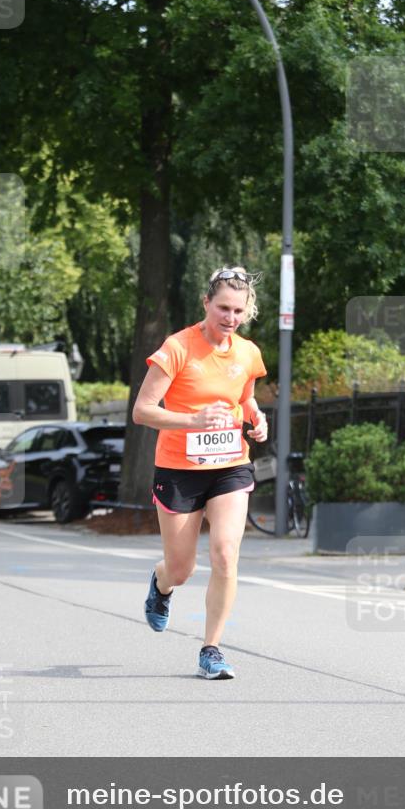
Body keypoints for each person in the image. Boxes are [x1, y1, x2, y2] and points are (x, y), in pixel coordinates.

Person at [132, 267, 268, 680]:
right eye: (223, 307)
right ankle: (162, 584)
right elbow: (142, 411)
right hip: (178, 470)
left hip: (229, 465)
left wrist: (257, 418)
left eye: (238, 311)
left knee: (226, 553)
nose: (229, 317)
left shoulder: (247, 352)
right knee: (182, 568)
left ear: (247, 312)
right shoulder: (177, 348)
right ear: (206, 303)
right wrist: (193, 420)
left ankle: (212, 649)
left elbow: (244, 397)